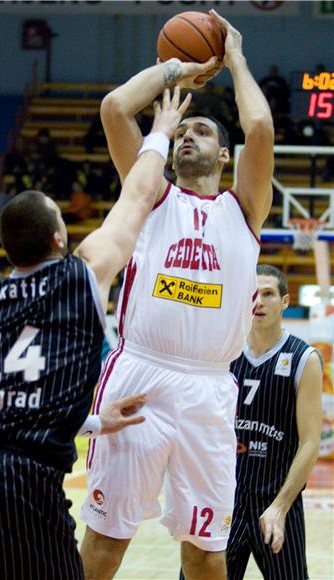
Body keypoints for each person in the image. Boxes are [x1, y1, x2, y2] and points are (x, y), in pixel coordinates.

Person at [0, 86, 195, 580]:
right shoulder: (79, 276)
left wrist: (92, 421)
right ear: (58, 238)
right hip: (20, 476)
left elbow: (2, 402)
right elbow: (137, 195)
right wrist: (159, 132)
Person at [80, 9, 274, 580]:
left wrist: (233, 58)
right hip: (140, 372)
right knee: (105, 541)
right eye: (181, 131)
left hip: (210, 390)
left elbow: (259, 130)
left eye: (203, 132)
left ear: (223, 158)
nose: (187, 135)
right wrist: (175, 71)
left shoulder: (244, 210)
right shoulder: (149, 195)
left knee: (206, 551)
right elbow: (116, 108)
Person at [226, 265, 323, 580]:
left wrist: (281, 506)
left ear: (285, 301)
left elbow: (310, 442)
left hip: (278, 501)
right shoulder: (224, 351)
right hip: (224, 499)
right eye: (253, 294)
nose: (259, 301)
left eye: (268, 294)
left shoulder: (302, 358)